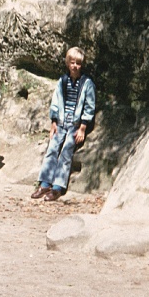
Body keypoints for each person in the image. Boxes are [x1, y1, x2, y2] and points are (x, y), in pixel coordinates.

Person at [31, 46, 96, 202]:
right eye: (72, 63)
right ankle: (45, 184)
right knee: (52, 148)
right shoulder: (63, 81)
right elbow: (56, 101)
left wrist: (82, 128)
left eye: (78, 63)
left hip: (75, 124)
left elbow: (89, 106)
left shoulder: (87, 83)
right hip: (61, 122)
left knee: (66, 151)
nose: (75, 66)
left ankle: (58, 187)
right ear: (68, 63)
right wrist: (53, 122)